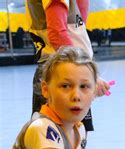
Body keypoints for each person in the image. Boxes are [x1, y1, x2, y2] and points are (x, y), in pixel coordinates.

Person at [26, 0, 111, 132]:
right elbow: (57, 34)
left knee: (76, 140)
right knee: (57, 142)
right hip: (62, 71)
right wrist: (87, 75)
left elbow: (78, 27)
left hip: (68, 69)